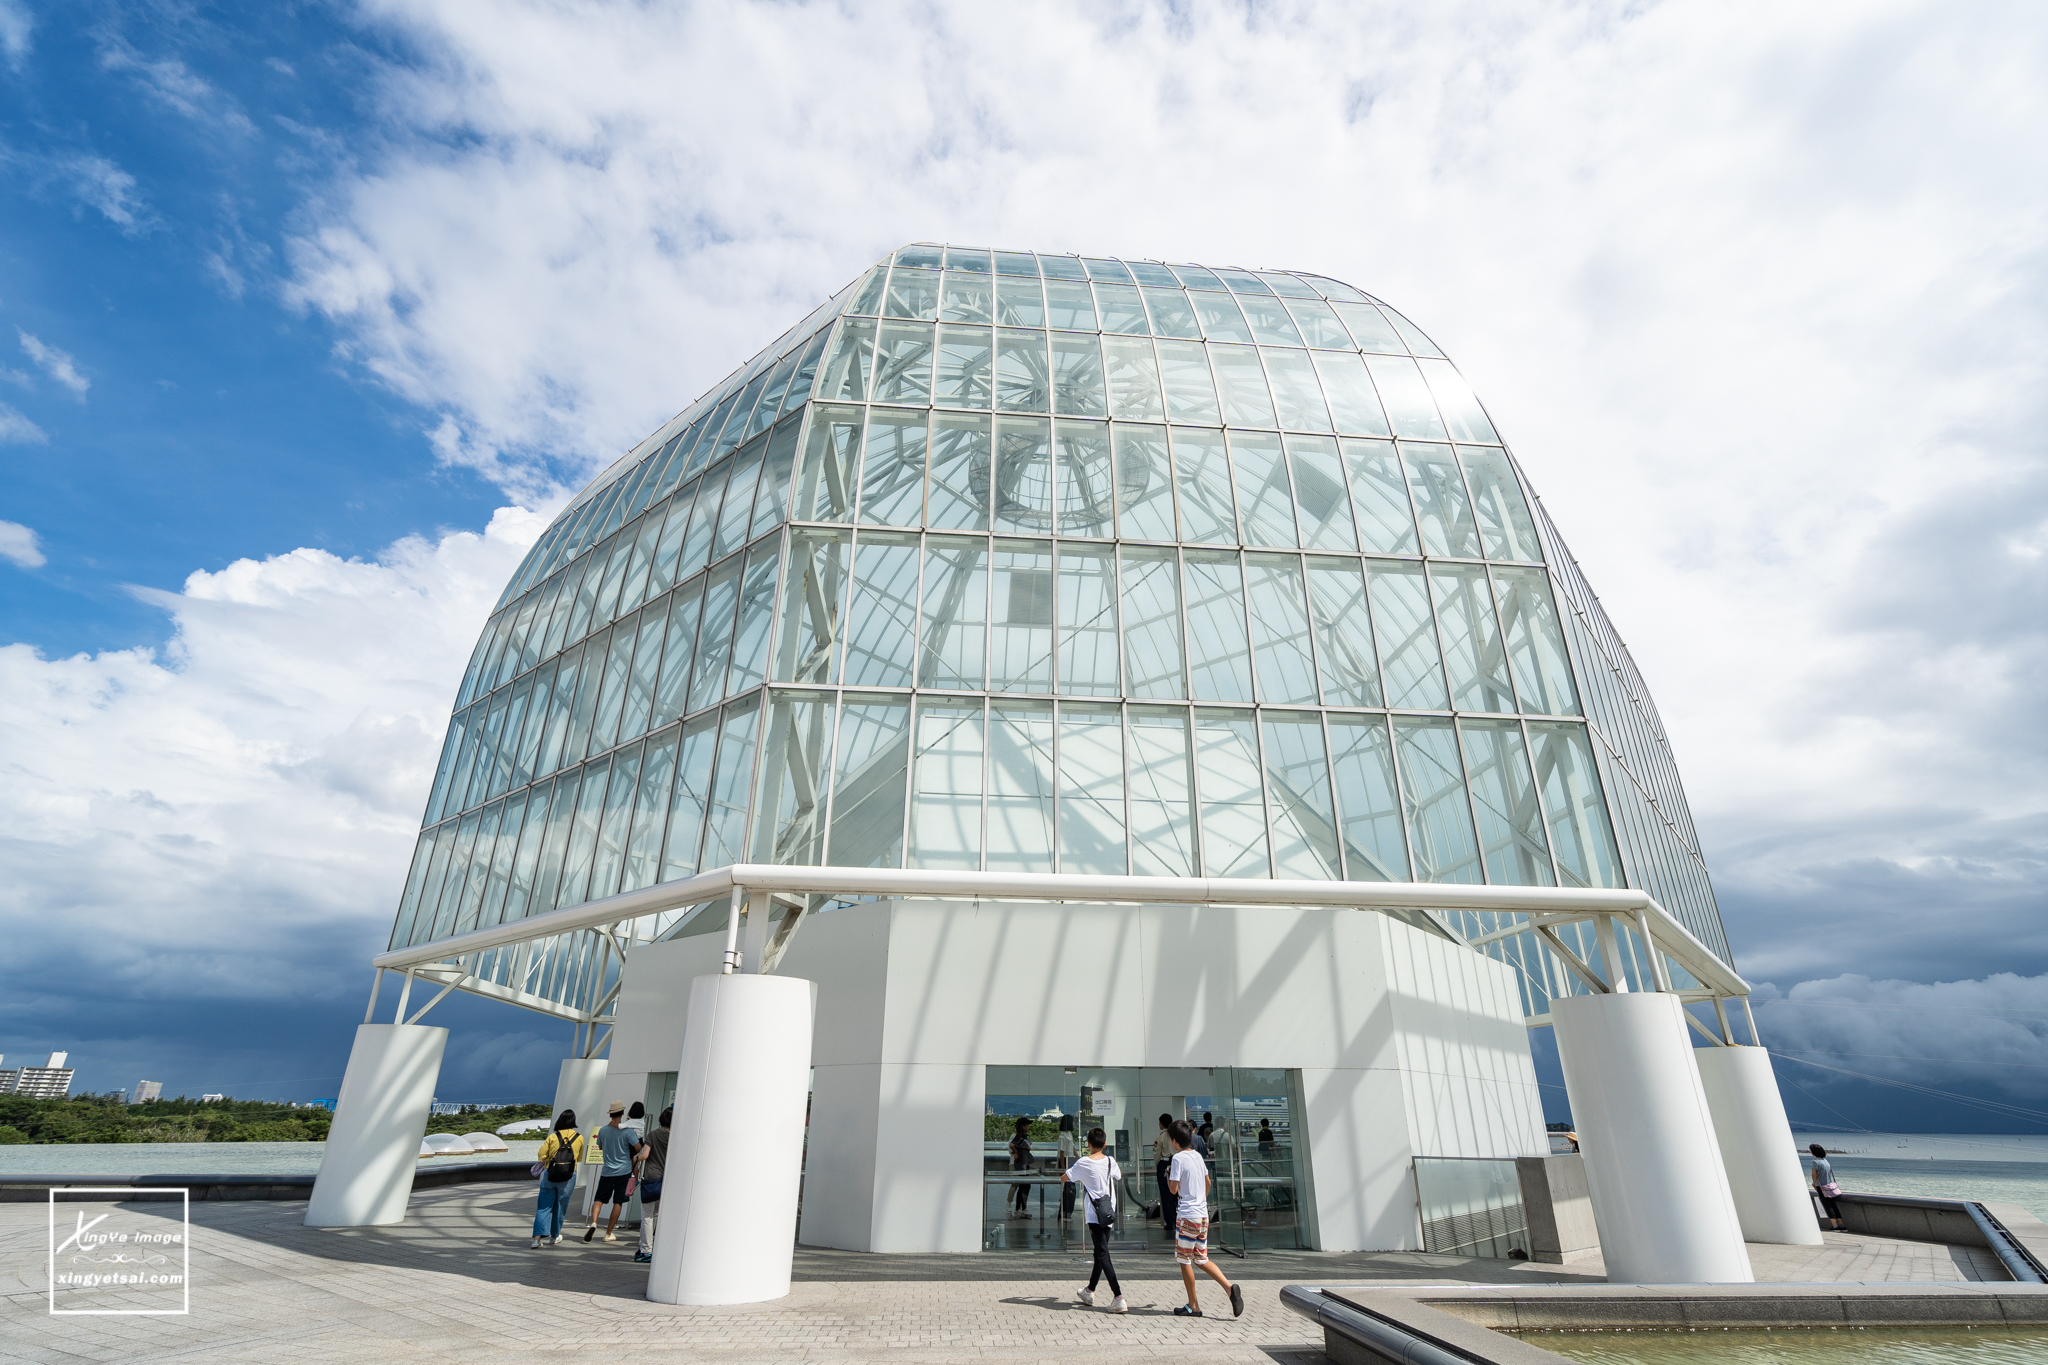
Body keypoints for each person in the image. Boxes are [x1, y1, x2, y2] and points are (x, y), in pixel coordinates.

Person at [1168, 1120, 1243, 1317]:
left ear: (1175, 1141)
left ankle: (1194, 1305)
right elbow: (1207, 1182)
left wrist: (1169, 1175)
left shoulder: (1177, 1159)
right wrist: (1201, 1199)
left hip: (1187, 1216)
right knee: (1201, 1259)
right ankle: (1229, 1288)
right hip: (1202, 1215)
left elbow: (1173, 1189)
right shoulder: (1198, 1157)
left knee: (1184, 1261)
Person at [1064, 1125, 1126, 1313]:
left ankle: (1118, 1297)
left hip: (1094, 1214)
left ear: (1088, 1144)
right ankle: (1089, 1291)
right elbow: (1118, 1176)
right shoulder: (1110, 1161)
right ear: (1105, 1144)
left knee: (1103, 1254)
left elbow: (1065, 1177)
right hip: (1108, 1212)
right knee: (1100, 1252)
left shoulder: (1083, 1162)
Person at [585, 1101, 644, 1243]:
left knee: (599, 1199)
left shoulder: (603, 1130)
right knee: (618, 1202)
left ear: (610, 1114)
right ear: (623, 1113)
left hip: (607, 1171)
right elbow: (637, 1148)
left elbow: (599, 1147)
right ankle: (608, 1233)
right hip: (623, 1170)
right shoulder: (628, 1131)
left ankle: (593, 1222)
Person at [530, 1109, 584, 1248]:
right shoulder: (579, 1137)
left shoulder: (553, 1137)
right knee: (561, 1206)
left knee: (544, 1206)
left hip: (551, 1174)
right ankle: (554, 1236)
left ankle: (536, 1239)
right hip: (568, 1176)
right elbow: (579, 1158)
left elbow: (541, 1154)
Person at [633, 1105, 672, 1263]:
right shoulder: (676, 1137)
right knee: (655, 1215)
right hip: (668, 1179)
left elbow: (645, 1155)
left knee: (647, 1216)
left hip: (652, 1178)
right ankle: (647, 1246)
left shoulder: (653, 1134)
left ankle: (646, 1250)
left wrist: (635, 1157)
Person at [1809, 1143, 1844, 1230]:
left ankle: (1834, 1225)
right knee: (1833, 1204)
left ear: (1814, 1152)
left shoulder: (1815, 1161)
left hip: (1821, 1187)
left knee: (1827, 1205)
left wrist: (1814, 1183)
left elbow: (1814, 1175)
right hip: (1829, 1185)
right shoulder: (1825, 1161)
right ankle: (1841, 1225)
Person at [1154, 1113, 1178, 1227]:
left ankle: (1170, 1222)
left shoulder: (1160, 1137)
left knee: (1165, 1194)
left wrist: (1158, 1165)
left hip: (1164, 1163)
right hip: (1175, 1162)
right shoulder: (1175, 1136)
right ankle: (1177, 1218)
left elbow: (1157, 1154)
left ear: (1161, 1124)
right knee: (1175, 1193)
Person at [1009, 1117, 1034, 1218]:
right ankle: (1020, 1209)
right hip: (1021, 1163)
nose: (1028, 1127)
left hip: (1024, 1162)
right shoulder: (1019, 1135)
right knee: (1024, 1185)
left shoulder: (1023, 1135)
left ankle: (1022, 1208)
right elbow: (1011, 1145)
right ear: (1023, 1126)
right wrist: (1017, 1152)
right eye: (1027, 1125)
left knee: (1025, 1185)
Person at [1057, 1115, 1078, 1220]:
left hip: (1071, 1161)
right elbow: (1061, 1152)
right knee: (1069, 1188)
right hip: (1065, 1161)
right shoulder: (1062, 1136)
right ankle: (1065, 1212)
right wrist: (1063, 1168)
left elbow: (1073, 1148)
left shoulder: (1069, 1134)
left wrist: (1079, 1158)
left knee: (1071, 1188)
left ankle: (1068, 1211)